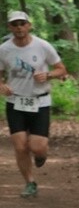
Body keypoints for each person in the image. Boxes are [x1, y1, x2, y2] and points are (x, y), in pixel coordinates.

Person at [0, 10, 68, 198]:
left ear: (29, 25)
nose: (19, 27)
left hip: (40, 101)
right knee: (20, 146)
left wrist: (48, 75)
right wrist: (2, 86)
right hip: (16, 102)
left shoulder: (42, 46)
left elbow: (62, 69)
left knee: (37, 147)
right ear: (10, 27)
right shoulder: (4, 49)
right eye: (15, 24)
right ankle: (30, 183)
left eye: (22, 23)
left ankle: (40, 154)